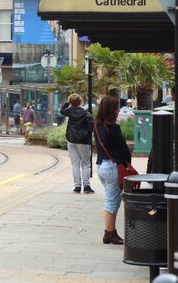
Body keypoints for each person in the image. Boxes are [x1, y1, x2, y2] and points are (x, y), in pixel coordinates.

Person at [94, 95, 132, 245]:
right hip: (112, 167)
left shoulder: (97, 125)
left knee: (113, 199)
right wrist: (127, 163)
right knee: (112, 201)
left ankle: (112, 232)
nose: (118, 110)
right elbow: (123, 149)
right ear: (112, 110)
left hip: (101, 166)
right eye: (116, 107)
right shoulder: (113, 128)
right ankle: (109, 233)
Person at [61, 94, 95, 194]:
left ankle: (77, 187)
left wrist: (67, 102)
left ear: (71, 102)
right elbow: (91, 127)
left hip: (71, 140)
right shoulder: (86, 113)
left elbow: (61, 111)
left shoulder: (69, 112)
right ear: (80, 102)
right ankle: (87, 186)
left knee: (75, 164)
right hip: (83, 141)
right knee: (85, 164)